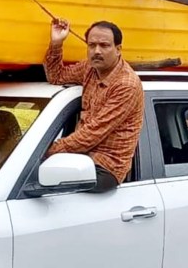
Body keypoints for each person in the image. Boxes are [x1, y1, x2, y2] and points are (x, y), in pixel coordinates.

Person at [43, 18, 144, 192]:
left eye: (104, 45)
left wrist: (44, 152)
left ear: (118, 49)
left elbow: (93, 133)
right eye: (92, 45)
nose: (97, 51)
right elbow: (57, 77)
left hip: (105, 167)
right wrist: (57, 43)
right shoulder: (90, 68)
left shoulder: (126, 85)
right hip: (79, 156)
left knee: (39, 185)